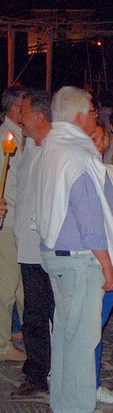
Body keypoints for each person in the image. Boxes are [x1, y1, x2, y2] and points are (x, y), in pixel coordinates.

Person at [32, 86, 113, 413]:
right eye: (93, 112)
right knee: (83, 342)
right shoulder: (77, 155)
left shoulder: (51, 148)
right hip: (80, 260)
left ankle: (64, 403)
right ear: (80, 116)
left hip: (58, 256)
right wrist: (107, 264)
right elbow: (89, 219)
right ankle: (78, 406)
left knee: (67, 337)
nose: (97, 117)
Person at [12, 90, 52, 397]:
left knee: (45, 314)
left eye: (23, 113)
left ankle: (46, 371)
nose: (20, 119)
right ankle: (37, 371)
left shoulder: (53, 152)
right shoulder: (29, 149)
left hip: (46, 248)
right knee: (33, 313)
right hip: (27, 246)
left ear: (39, 116)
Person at [88, 122, 113, 405]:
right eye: (93, 138)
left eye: (102, 139)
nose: (99, 144)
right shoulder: (84, 173)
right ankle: (90, 381)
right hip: (94, 260)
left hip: (112, 255)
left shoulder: (110, 172)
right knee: (90, 326)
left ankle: (91, 378)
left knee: (97, 326)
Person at [0, 87, 26, 363]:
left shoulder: (21, 136)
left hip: (20, 220)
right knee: (7, 285)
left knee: (21, 286)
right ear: (14, 109)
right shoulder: (6, 138)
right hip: (8, 220)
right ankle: (1, 341)